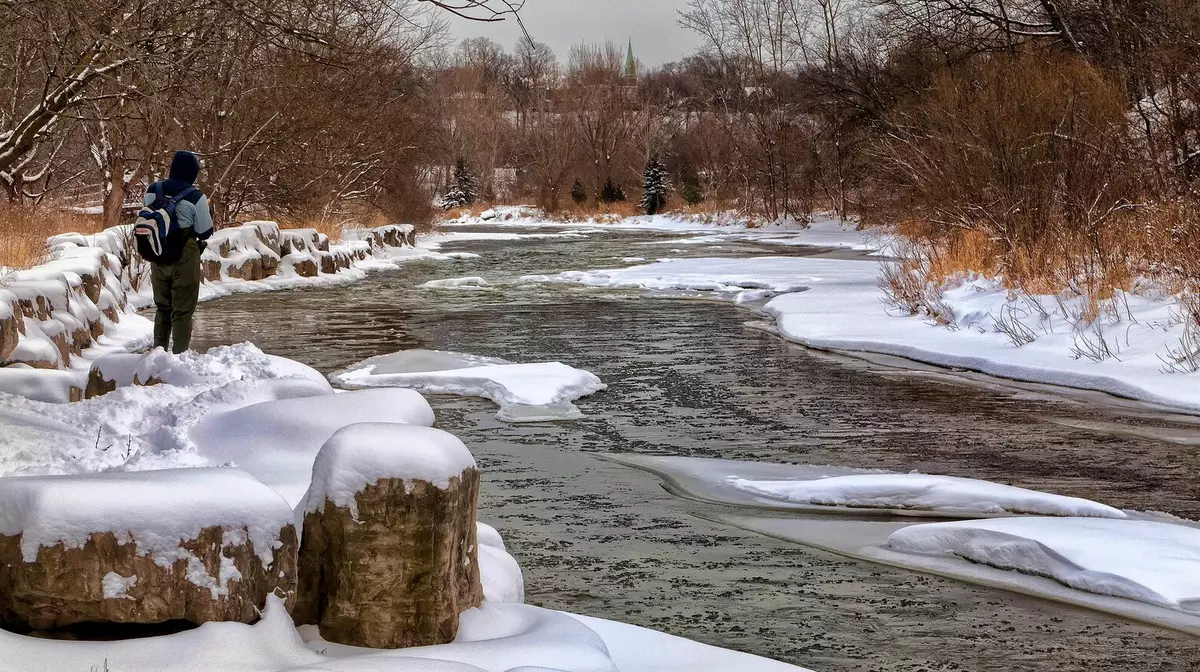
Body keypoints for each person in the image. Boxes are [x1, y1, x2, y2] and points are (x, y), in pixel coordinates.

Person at [146, 150, 213, 354]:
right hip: (185, 255)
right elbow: (205, 231)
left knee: (163, 307)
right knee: (182, 311)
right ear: (193, 173)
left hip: (157, 253)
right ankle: (180, 356)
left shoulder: (152, 190)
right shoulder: (196, 197)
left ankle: (158, 356)